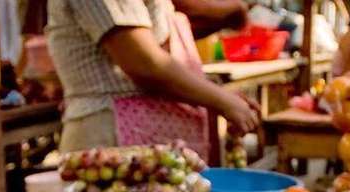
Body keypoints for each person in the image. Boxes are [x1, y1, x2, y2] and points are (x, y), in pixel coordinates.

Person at [46, 0, 261, 154]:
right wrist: (221, 100)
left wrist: (220, 97)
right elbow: (142, 63)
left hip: (145, 144)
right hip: (111, 139)